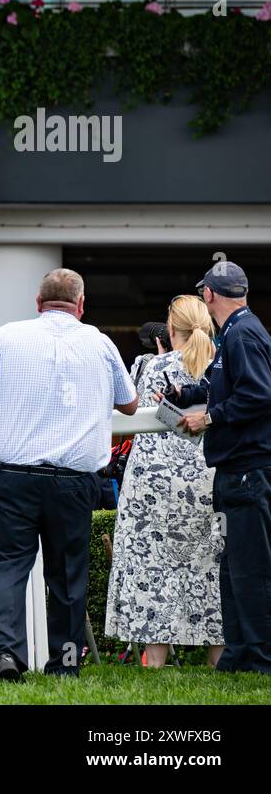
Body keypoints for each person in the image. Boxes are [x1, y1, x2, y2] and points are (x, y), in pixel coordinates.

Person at [0, 268, 138, 680]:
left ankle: (8, 655)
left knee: (8, 566)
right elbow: (129, 404)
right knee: (69, 574)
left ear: (38, 304)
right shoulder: (100, 342)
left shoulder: (6, 336)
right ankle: (66, 664)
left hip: (13, 476)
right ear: (81, 305)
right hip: (75, 481)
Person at [105, 295, 223, 667]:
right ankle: (218, 657)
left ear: (171, 330)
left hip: (151, 484)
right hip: (208, 478)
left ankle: (153, 661)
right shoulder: (223, 367)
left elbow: (127, 411)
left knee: (152, 568)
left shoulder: (152, 366)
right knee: (212, 566)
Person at [166, 262, 271, 673]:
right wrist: (184, 392)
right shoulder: (238, 333)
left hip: (248, 469)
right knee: (235, 567)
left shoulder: (243, 334)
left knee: (252, 569)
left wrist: (206, 419)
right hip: (237, 471)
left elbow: (259, 395)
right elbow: (223, 386)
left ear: (208, 295)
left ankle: (258, 658)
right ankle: (241, 654)